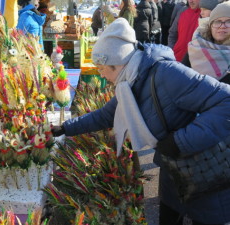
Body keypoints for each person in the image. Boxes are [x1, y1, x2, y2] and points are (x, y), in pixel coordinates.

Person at [52, 18, 230, 225]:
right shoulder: (129, 82)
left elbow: (226, 102)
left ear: (117, 63)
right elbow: (106, 115)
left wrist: (180, 141)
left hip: (203, 170)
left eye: (101, 68)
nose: (100, 74)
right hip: (172, 169)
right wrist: (65, 128)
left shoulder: (167, 73)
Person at [185, 1, 230, 82]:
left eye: (229, 21)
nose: (222, 26)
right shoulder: (196, 48)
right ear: (210, 26)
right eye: (217, 21)